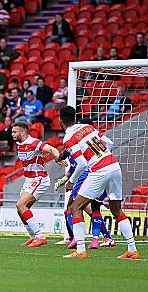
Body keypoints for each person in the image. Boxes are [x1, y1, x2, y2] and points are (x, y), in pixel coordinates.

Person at [58, 106, 139, 259]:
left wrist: (71, 181)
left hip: (99, 170)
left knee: (76, 207)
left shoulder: (68, 138)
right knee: (116, 211)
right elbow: (109, 143)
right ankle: (132, 250)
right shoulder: (87, 127)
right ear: (75, 117)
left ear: (60, 119)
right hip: (114, 166)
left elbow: (81, 164)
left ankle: (80, 250)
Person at [54, 118, 115, 249]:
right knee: (93, 208)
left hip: (89, 175)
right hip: (106, 171)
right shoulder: (95, 144)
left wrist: (70, 181)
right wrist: (62, 180)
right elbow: (72, 167)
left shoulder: (81, 144)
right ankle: (103, 238)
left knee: (72, 207)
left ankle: (77, 238)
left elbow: (80, 164)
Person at [12, 122, 63, 248]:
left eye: (15, 132)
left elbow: (51, 149)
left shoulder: (33, 142)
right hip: (29, 179)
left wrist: (58, 157)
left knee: (21, 204)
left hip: (39, 178)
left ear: (22, 132)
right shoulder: (20, 144)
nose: (12, 134)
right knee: (20, 209)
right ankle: (33, 237)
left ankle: (40, 237)